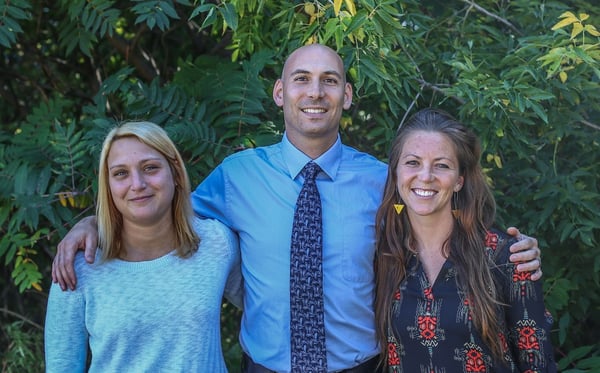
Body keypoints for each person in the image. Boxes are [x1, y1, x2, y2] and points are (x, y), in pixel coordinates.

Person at [52, 44, 542, 372]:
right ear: (279, 92)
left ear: (346, 96)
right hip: (266, 367)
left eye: (330, 81)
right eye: (302, 79)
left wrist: (513, 252)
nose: (315, 92)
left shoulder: (382, 180)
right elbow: (158, 210)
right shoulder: (236, 176)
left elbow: (438, 223)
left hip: (364, 366)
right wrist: (91, 219)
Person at [45, 121, 242, 372]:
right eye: (120, 173)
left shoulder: (216, 243)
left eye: (150, 168)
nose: (137, 184)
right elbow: (61, 367)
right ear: (108, 186)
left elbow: (266, 307)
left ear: (177, 175)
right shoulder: (78, 266)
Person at [374, 108, 556, 372]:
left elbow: (538, 365)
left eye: (442, 165)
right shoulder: (384, 255)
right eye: (413, 162)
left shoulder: (506, 256)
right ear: (396, 172)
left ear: (459, 180)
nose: (425, 176)